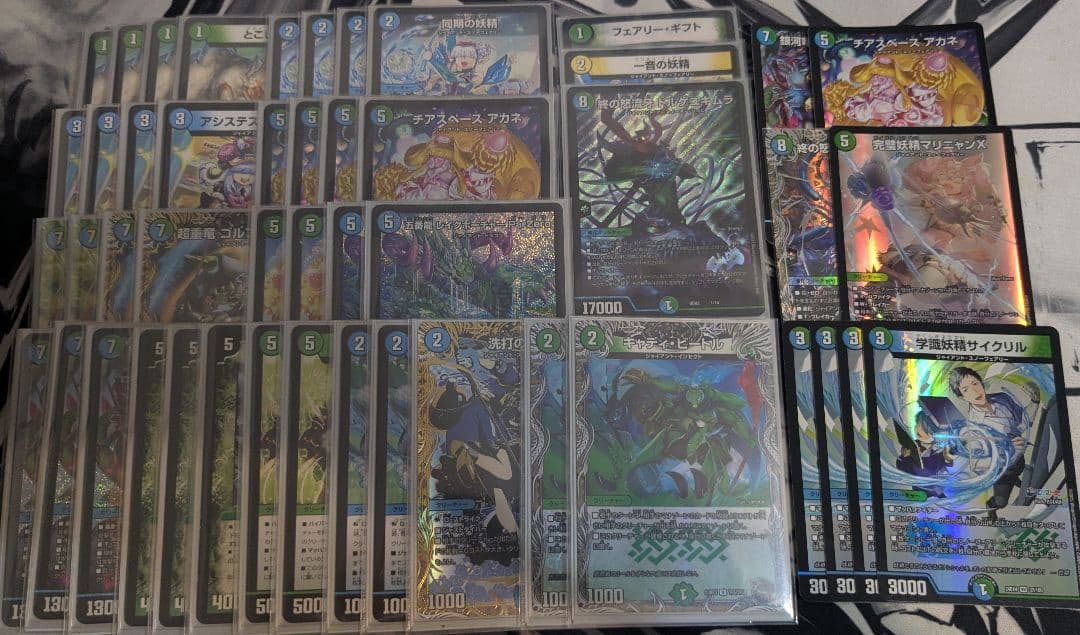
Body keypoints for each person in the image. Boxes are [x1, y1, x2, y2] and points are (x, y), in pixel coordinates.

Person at [949, 366, 1037, 520]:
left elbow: (1024, 422)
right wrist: (1007, 454)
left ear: (981, 383)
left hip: (1019, 462)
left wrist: (1035, 401)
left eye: (975, 383)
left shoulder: (1002, 398)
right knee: (1001, 502)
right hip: (1003, 471)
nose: (974, 391)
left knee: (1023, 473)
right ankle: (991, 505)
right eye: (966, 390)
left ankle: (1016, 479)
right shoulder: (973, 428)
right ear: (962, 397)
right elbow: (976, 464)